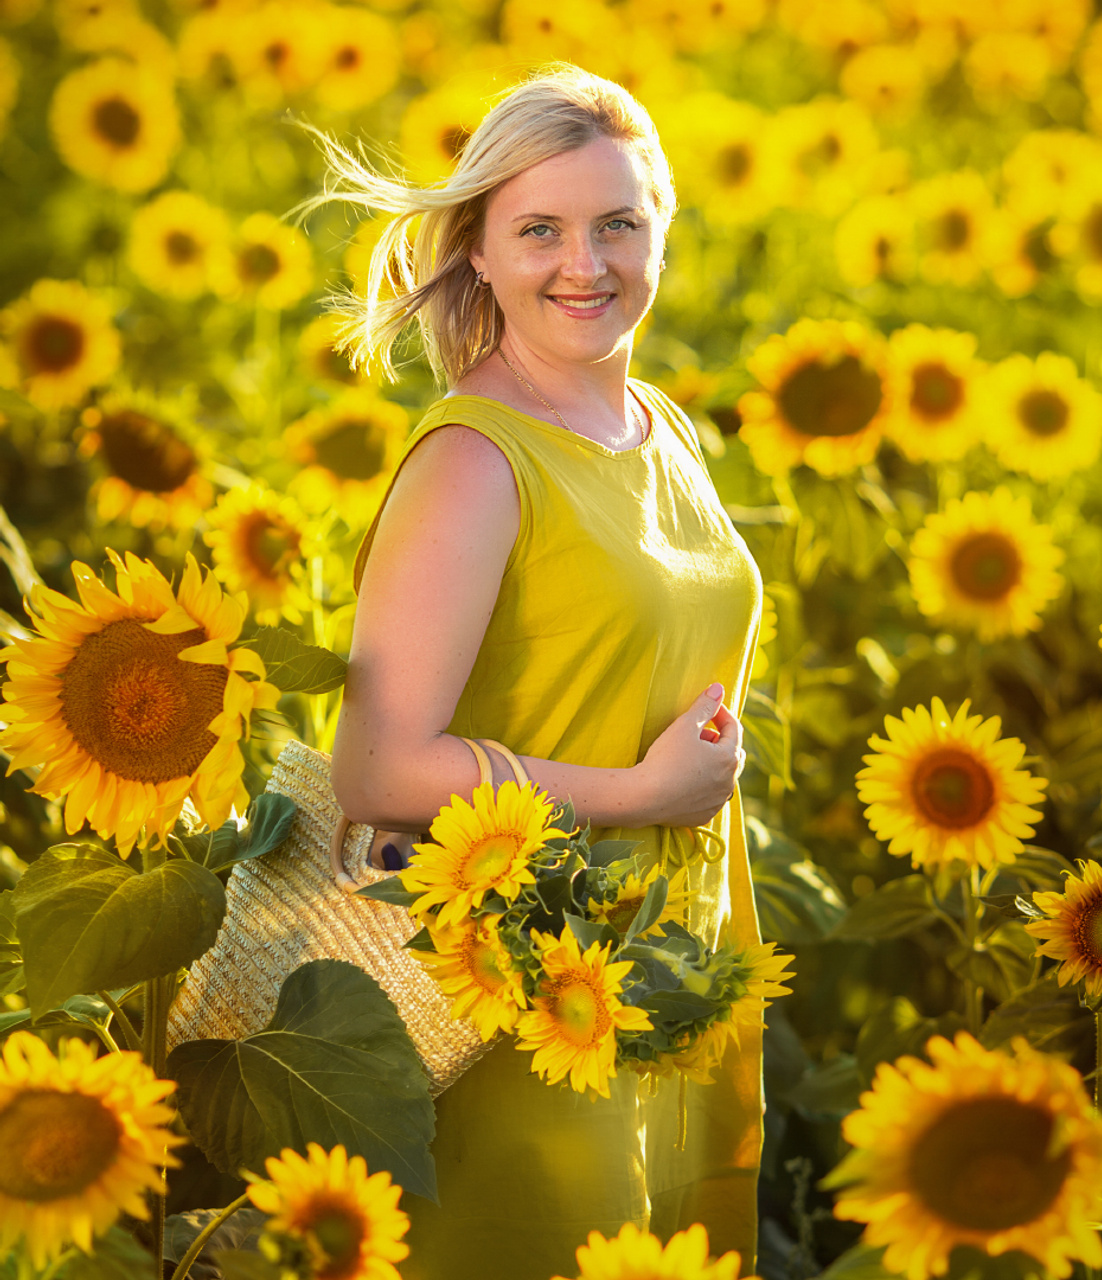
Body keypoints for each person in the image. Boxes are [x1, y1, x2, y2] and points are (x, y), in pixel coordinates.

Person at [318, 64, 766, 1280]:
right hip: (522, 985)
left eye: (618, 223)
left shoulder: (659, 424)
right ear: (476, 252)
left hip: (677, 962)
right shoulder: (473, 462)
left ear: (660, 230)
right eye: (540, 230)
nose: (587, 263)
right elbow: (375, 764)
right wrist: (641, 794)